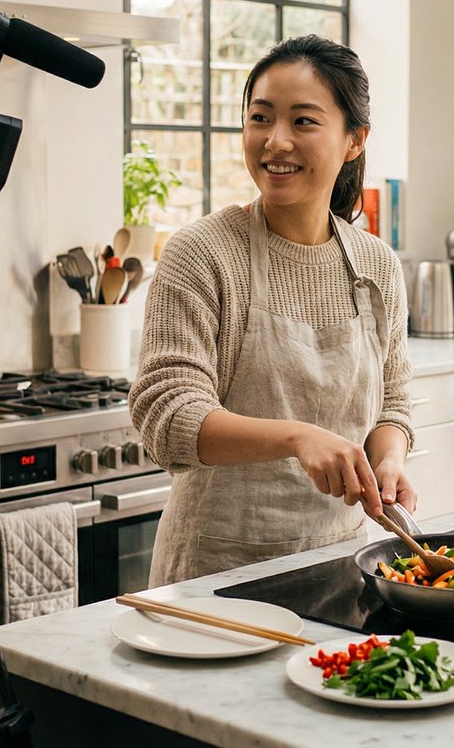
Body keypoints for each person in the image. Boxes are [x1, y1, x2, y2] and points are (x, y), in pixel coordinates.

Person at [129, 35, 416, 587]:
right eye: (261, 118)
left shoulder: (376, 265)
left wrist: (389, 460)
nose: (275, 141)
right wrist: (297, 437)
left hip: (342, 563)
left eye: (303, 121)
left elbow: (393, 404)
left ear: (354, 140)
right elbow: (168, 419)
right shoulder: (203, 252)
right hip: (216, 577)